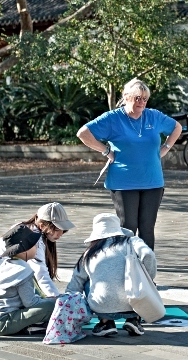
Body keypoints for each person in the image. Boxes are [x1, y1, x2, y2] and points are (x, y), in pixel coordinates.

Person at [76, 78, 182, 250]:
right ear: (126, 97)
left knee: (147, 229)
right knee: (128, 228)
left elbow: (176, 127)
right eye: (137, 98)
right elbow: (83, 133)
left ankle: (146, 270)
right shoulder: (113, 118)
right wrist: (106, 151)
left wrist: (166, 148)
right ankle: (125, 267)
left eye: (145, 99)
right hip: (124, 183)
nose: (142, 102)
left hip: (153, 181)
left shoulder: (153, 116)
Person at [66, 213, 157, 337]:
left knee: (88, 281)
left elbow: (76, 282)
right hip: (134, 301)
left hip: (102, 305)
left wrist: (67, 301)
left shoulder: (89, 251)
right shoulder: (132, 241)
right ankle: (134, 319)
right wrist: (148, 278)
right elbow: (148, 255)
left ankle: (105, 322)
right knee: (142, 281)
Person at [0, 202, 75, 297]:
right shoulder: (33, 239)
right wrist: (57, 298)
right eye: (56, 229)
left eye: (63, 229)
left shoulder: (29, 229)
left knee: (33, 295)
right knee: (27, 300)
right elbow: (41, 274)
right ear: (42, 226)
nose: (60, 234)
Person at [0, 225, 57, 336]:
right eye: (34, 245)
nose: (37, 248)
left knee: (47, 302)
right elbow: (30, 302)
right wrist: (52, 300)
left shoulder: (7, 264)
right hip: (4, 323)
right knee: (51, 305)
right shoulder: (23, 269)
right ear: (24, 250)